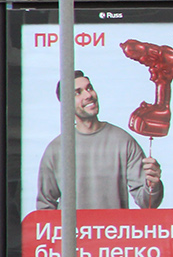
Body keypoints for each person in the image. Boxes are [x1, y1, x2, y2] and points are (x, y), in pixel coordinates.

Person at [36, 70, 163, 210]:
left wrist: (153, 185)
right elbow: (45, 208)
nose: (88, 95)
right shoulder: (56, 149)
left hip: (113, 232)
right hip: (73, 233)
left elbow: (147, 203)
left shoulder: (123, 141)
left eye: (89, 88)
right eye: (77, 92)